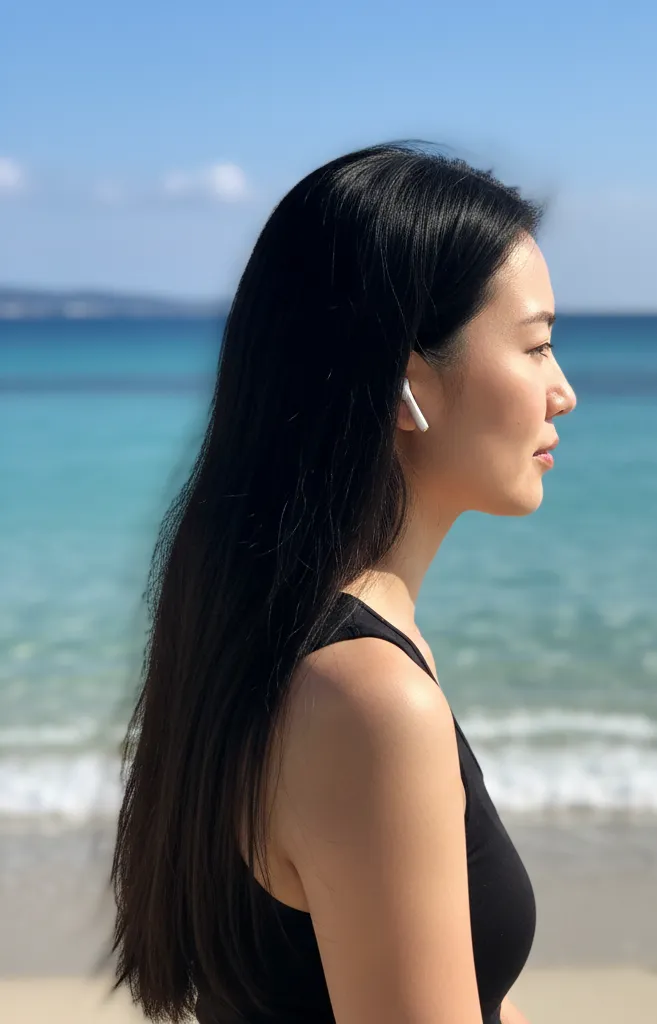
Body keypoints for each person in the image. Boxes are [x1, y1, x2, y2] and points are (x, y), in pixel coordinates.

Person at [109, 141, 576, 1024]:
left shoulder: (283, 637)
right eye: (538, 346)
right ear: (407, 386)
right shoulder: (364, 697)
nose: (563, 392)